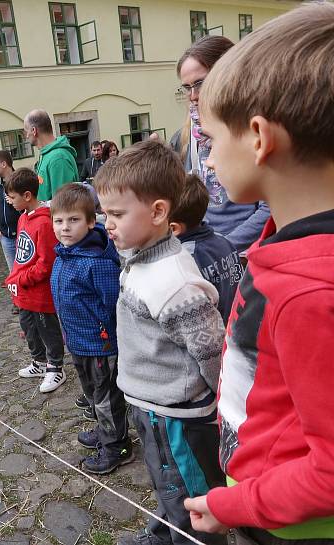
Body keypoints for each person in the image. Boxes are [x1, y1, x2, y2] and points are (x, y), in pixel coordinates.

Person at [182, 5, 334, 543]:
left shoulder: (308, 292)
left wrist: (236, 504)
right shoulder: (290, 235)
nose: (207, 154)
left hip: (285, 521)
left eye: (211, 137)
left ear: (258, 138)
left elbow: (331, 472)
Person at [95, 141, 226, 545]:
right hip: (151, 406)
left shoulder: (174, 283)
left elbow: (210, 350)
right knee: (166, 481)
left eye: (117, 214)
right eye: (105, 213)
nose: (107, 223)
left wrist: (214, 400)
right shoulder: (138, 257)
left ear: (157, 212)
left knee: (188, 493)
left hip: (177, 417)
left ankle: (188, 536)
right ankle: (167, 529)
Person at [50, 184, 131, 474]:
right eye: (59, 221)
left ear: (89, 221)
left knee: (107, 398)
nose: (65, 228)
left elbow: (113, 305)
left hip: (100, 345)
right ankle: (105, 430)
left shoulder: (98, 264)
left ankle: (117, 446)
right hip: (78, 343)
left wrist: (108, 336)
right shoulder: (63, 255)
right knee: (93, 395)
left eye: (73, 220)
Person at [172, 36, 270, 252]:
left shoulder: (256, 129)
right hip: (204, 246)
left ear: (230, 75)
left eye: (200, 83)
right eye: (187, 88)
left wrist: (224, 247)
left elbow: (271, 208)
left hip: (245, 253)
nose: (193, 96)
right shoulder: (185, 136)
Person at [3, 168, 65, 394]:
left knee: (47, 329)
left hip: (39, 292)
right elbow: (22, 255)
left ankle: (56, 366)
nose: (9, 201)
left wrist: (23, 278)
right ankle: (38, 362)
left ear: (27, 196)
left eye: (12, 197)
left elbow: (46, 262)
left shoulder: (44, 223)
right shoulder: (22, 218)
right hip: (24, 291)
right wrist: (15, 279)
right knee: (29, 327)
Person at [169, 175, 242, 325]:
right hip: (234, 326)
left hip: (211, 333)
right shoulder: (225, 241)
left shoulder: (185, 260)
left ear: (173, 228)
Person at [23, 109, 79, 202]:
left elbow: (63, 203)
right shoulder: (46, 154)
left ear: (34, 130)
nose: (26, 136)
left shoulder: (58, 158)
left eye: (25, 131)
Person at [0, 149, 22, 272]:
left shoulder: (20, 182)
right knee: (13, 273)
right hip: (5, 237)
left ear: (4, 164)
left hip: (22, 235)